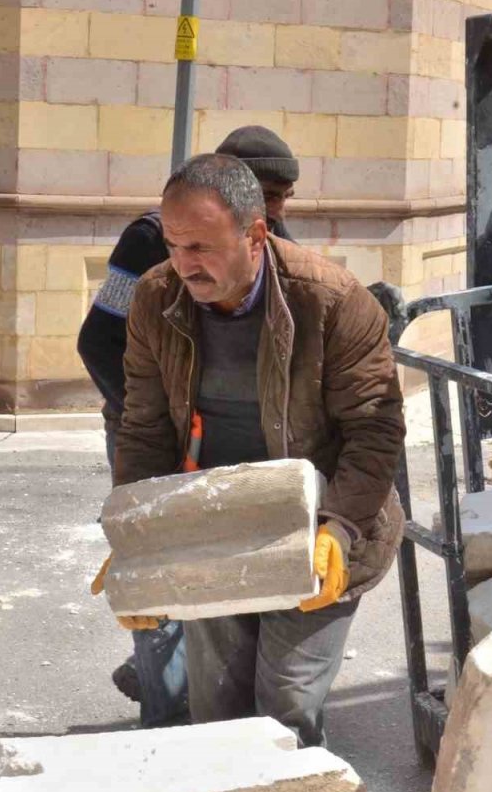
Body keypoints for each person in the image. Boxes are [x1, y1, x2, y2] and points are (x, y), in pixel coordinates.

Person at [98, 153, 406, 748]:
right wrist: (137, 540)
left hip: (319, 527)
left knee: (286, 703)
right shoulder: (155, 299)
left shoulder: (332, 302)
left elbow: (374, 431)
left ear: (256, 234)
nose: (185, 264)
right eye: (174, 245)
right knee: (216, 705)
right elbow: (143, 429)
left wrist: (338, 531)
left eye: (203, 247)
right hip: (216, 524)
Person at [77, 127, 302, 728]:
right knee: (162, 580)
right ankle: (167, 720)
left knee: (221, 576)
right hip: (148, 428)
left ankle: (204, 700)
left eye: (285, 198)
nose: (280, 212)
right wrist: (165, 422)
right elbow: (98, 341)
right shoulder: (149, 240)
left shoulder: (266, 239)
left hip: (226, 442)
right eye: (272, 195)